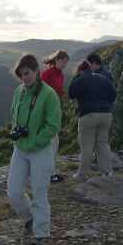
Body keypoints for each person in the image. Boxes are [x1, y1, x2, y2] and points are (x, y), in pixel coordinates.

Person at [7, 54, 62, 245]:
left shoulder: (48, 94)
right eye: (21, 75)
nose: (24, 78)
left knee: (39, 192)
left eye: (27, 73)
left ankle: (42, 234)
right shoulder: (19, 92)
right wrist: (15, 132)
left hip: (41, 150)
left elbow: (53, 125)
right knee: (13, 192)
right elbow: (14, 115)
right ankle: (30, 218)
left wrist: (36, 141)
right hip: (20, 149)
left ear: (37, 71)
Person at [68, 60, 117, 180]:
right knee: (103, 143)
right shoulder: (103, 78)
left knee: (87, 146)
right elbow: (113, 94)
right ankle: (107, 172)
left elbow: (71, 94)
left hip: (88, 115)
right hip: (106, 114)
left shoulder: (79, 80)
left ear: (80, 71)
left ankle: (82, 174)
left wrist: (75, 79)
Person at [41, 50, 69, 183]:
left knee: (54, 143)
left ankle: (50, 173)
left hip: (55, 111)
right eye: (62, 61)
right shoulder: (47, 74)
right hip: (47, 112)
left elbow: (58, 90)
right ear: (56, 60)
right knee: (52, 143)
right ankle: (50, 174)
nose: (64, 65)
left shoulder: (60, 74)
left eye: (66, 63)